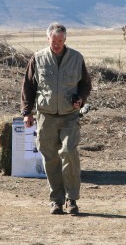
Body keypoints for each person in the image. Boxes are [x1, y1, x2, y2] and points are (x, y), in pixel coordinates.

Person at [20, 22, 92, 215]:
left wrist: (81, 99)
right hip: (46, 116)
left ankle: (72, 199)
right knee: (50, 157)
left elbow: (86, 84)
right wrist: (27, 113)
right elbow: (28, 86)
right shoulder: (38, 58)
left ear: (65, 39)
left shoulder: (76, 58)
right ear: (48, 39)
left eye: (60, 40)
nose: (57, 44)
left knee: (69, 152)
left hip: (70, 115)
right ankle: (56, 201)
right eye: (54, 41)